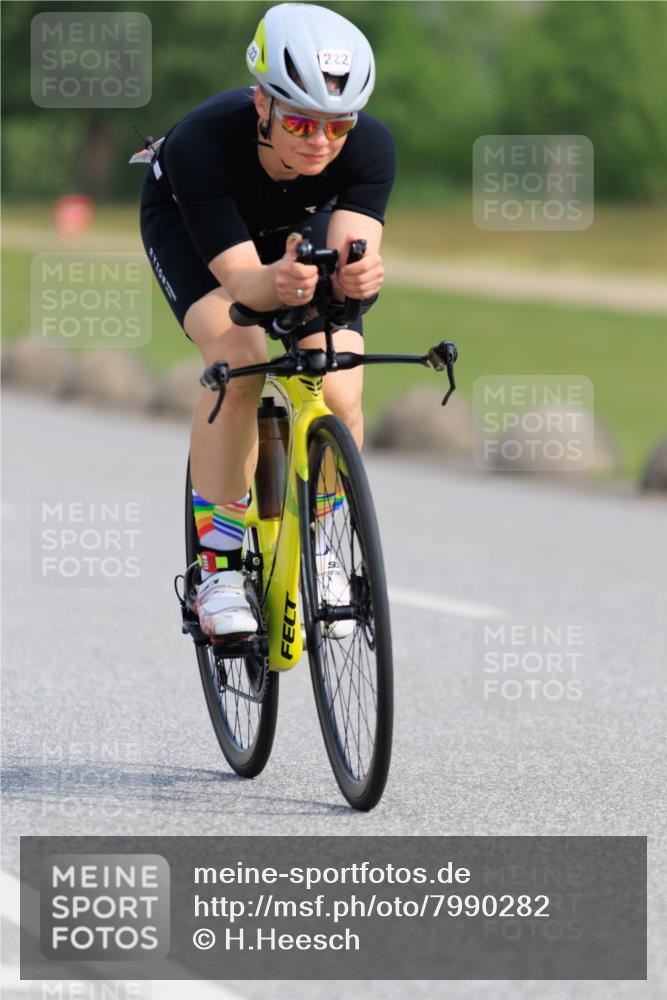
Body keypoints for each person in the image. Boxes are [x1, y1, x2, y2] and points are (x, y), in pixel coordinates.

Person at [138, 2, 396, 638]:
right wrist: (275, 283)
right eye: (302, 123)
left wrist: (355, 278)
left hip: (292, 227)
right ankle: (218, 565)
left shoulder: (370, 146)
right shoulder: (204, 143)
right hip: (195, 227)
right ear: (263, 104)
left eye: (337, 128)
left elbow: (352, 249)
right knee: (240, 357)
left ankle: (316, 539)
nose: (321, 143)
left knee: (340, 381)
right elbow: (243, 284)